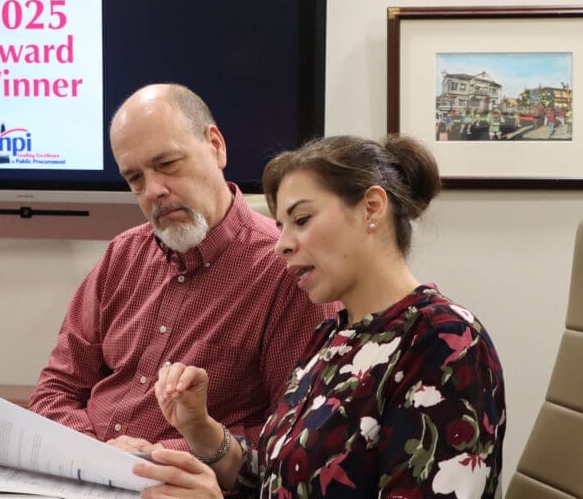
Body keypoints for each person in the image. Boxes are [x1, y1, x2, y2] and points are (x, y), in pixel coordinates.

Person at [134, 135, 506, 498]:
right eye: (280, 227)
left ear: (371, 208)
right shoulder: (332, 335)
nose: (282, 245)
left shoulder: (446, 341)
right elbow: (272, 476)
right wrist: (199, 428)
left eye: (302, 219)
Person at [28, 84, 333, 451]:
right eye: (135, 179)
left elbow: (294, 438)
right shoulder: (122, 256)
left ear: (216, 146)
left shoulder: (287, 268)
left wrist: (157, 456)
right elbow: (55, 390)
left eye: (167, 165)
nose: (153, 190)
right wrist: (94, 454)